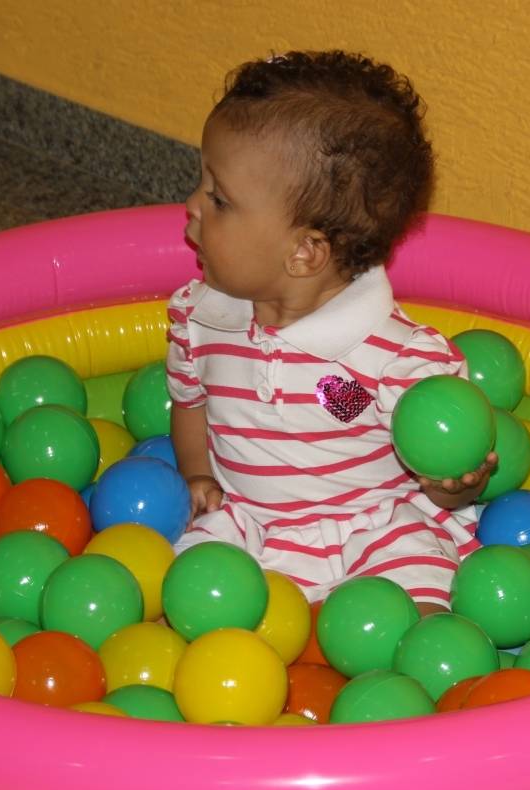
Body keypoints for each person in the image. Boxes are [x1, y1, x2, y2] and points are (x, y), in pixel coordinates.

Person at [166, 50, 495, 614]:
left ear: (304, 252)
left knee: (419, 597)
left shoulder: (395, 359)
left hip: (372, 529)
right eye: (203, 185)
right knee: (186, 590)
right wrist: (198, 475)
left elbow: (435, 466)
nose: (193, 206)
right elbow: (189, 402)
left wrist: (457, 483)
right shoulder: (200, 316)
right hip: (249, 527)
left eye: (218, 199)